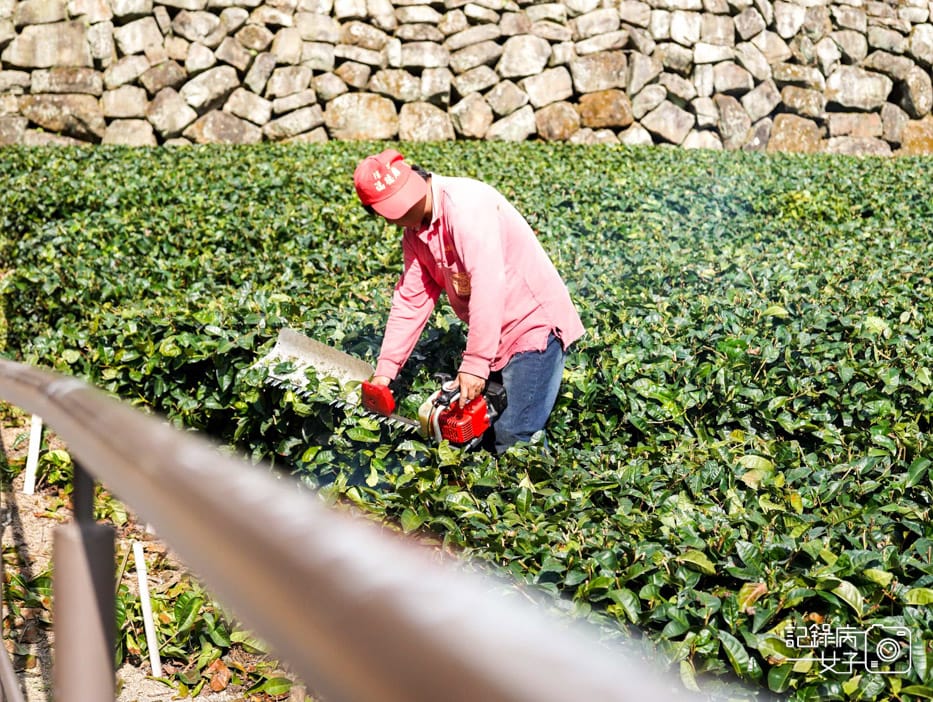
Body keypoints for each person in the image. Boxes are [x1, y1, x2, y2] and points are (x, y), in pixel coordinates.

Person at [353, 148, 584, 454]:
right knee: (481, 434)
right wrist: (385, 371)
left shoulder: (466, 206)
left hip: (533, 327)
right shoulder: (415, 233)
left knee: (514, 439)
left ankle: (535, 496)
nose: (405, 211)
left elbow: (488, 283)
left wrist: (475, 364)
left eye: (406, 200)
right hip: (494, 334)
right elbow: (411, 301)